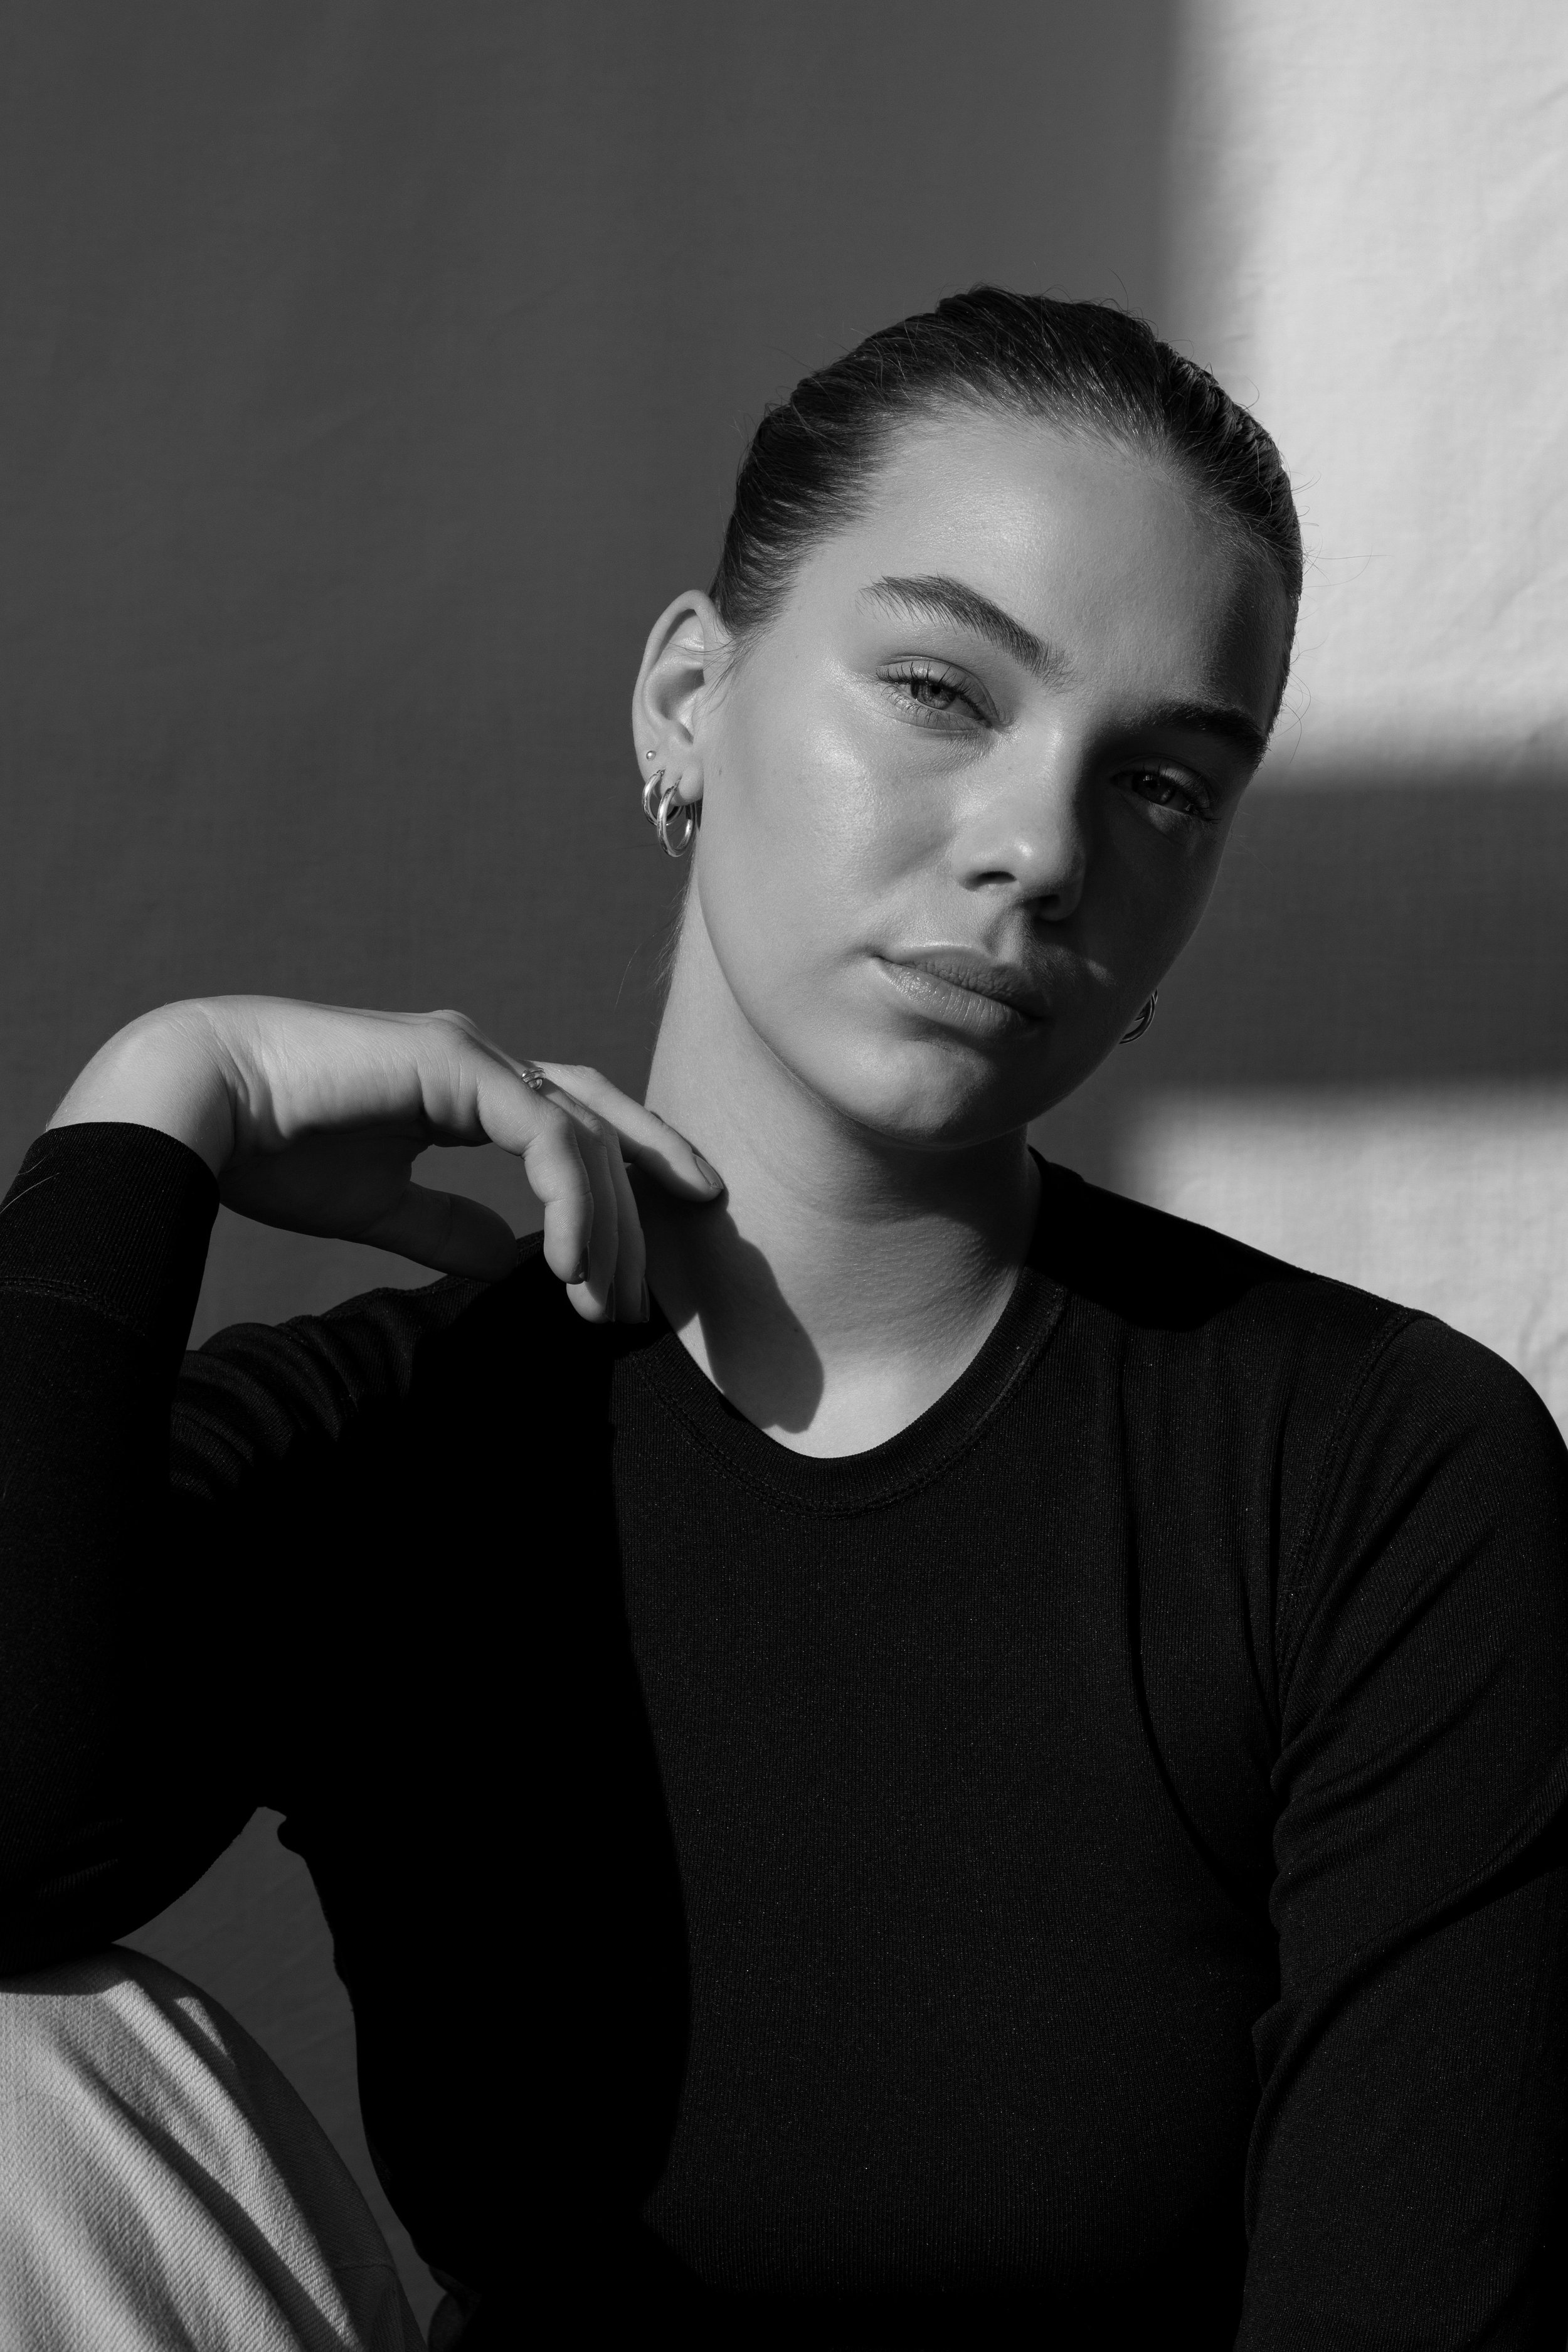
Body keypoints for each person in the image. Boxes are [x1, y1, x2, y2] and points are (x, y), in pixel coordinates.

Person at [1, 289, 1564, 2350]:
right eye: (938, 687)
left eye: (1164, 784)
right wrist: (151, 1104)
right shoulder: (387, 1446)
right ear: (686, 699)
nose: (1038, 848)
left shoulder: (1368, 1476)